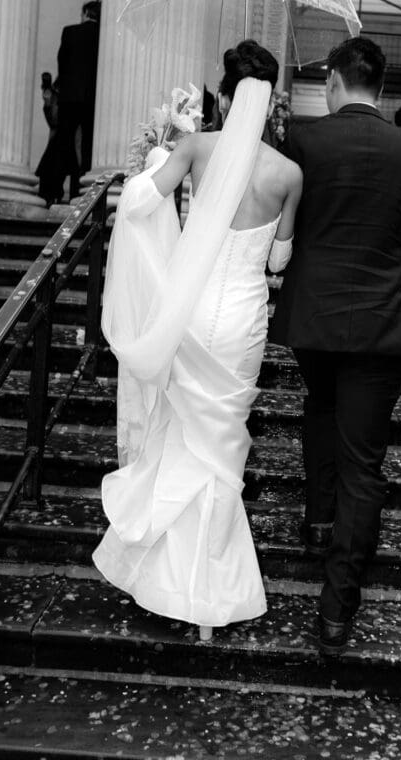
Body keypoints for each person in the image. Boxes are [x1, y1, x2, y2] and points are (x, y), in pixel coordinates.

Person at [93, 40, 302, 640]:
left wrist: (160, 150)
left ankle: (163, 581)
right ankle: (210, 597)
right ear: (270, 102)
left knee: (179, 440)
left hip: (189, 311)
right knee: (221, 450)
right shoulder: (289, 174)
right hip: (241, 321)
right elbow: (279, 263)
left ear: (227, 95)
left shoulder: (196, 148)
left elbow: (136, 201)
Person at [270, 36, 401, 656]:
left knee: (320, 404)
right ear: (383, 88)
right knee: (364, 460)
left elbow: (290, 219)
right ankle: (337, 608)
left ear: (337, 82)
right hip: (379, 320)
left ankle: (318, 520)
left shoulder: (306, 142)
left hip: (313, 316)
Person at [55, 0, 101, 200]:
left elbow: (62, 64)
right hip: (92, 99)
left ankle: (58, 189)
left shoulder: (70, 32)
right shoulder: (103, 35)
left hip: (70, 97)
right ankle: (80, 187)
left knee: (64, 142)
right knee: (87, 145)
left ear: (85, 13)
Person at [35, 72, 63, 207]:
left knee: (51, 167)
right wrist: (48, 103)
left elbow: (55, 120)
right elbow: (53, 120)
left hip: (62, 138)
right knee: (48, 169)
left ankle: (52, 196)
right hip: (57, 138)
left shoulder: (60, 97)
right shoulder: (54, 95)